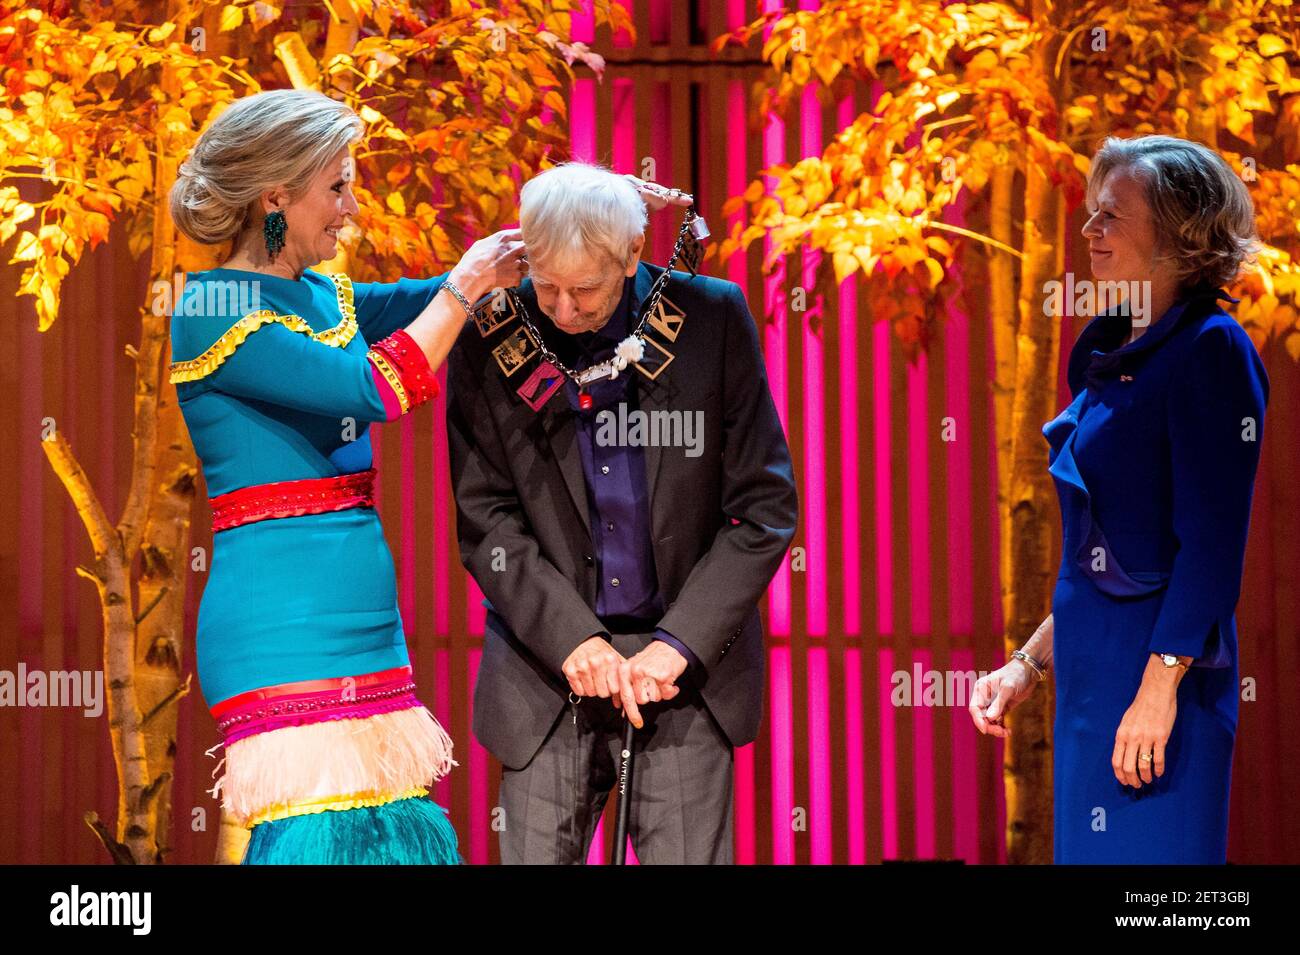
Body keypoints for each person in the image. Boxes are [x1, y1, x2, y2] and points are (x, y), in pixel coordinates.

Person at [168, 87, 528, 863]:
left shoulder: (320, 296)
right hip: (279, 624)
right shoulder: (214, 304)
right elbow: (373, 389)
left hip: (363, 617)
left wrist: (554, 250)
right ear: (275, 199)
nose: (351, 206)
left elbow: (429, 304)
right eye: (336, 186)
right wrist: (467, 285)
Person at [447, 162, 798, 864]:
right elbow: (486, 518)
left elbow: (764, 509)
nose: (563, 311)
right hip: (546, 670)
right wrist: (573, 638)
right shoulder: (492, 334)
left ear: (633, 255)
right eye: (545, 285)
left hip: (684, 677)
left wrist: (679, 644)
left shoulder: (711, 319)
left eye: (585, 290)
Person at [968, 135, 1269, 863]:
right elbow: (1103, 559)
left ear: (1176, 236)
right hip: (1091, 677)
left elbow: (1210, 544)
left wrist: (1159, 690)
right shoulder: (1113, 350)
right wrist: (1029, 663)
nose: (1088, 229)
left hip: (1159, 679)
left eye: (1111, 215)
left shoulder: (1212, 348)